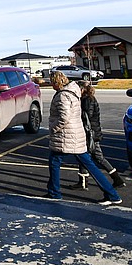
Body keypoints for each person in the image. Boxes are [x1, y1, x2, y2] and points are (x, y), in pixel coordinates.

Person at [46, 71, 122, 205]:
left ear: (56, 82)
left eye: (51, 82)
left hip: (66, 136)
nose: (51, 85)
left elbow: (64, 117)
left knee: (55, 161)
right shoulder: (73, 91)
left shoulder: (63, 96)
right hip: (76, 135)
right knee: (89, 164)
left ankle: (54, 193)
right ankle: (112, 194)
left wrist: (53, 128)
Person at [71, 78, 127, 190]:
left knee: (95, 157)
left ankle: (117, 179)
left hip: (90, 133)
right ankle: (83, 181)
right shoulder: (88, 99)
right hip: (92, 132)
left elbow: (87, 117)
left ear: (82, 89)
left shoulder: (87, 100)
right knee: (86, 156)